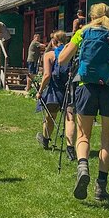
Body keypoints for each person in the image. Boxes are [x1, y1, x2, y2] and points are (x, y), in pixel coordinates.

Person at [58, 3, 109, 201]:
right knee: (106, 140)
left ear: (91, 16)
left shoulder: (83, 33)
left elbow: (62, 60)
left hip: (86, 87)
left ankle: (83, 167)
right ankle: (101, 187)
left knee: (83, 135)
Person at [35, 31, 76, 161]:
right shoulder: (71, 53)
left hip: (54, 91)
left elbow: (47, 75)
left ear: (53, 42)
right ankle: (70, 148)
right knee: (70, 119)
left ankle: (46, 140)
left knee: (50, 117)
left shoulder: (49, 55)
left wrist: (40, 91)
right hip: (69, 89)